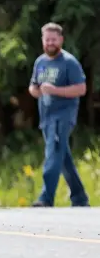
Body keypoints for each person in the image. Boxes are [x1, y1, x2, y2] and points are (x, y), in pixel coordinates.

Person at [28, 22, 89, 207]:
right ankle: (79, 197)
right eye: (47, 39)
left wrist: (55, 90)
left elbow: (81, 89)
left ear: (61, 40)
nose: (50, 43)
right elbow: (33, 86)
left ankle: (46, 197)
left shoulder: (69, 62)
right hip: (46, 116)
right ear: (42, 41)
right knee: (62, 157)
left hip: (63, 115)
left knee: (53, 153)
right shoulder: (40, 62)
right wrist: (36, 91)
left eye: (54, 39)